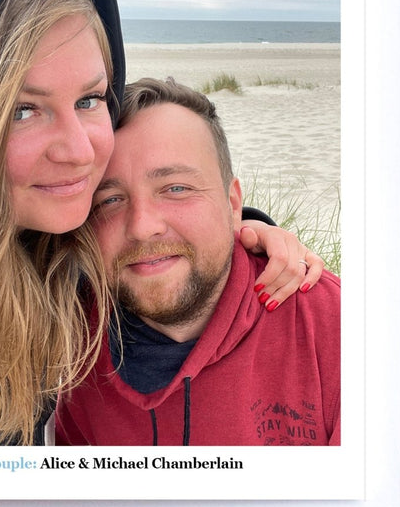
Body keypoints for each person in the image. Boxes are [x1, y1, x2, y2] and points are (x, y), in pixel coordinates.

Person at [0, 0, 324, 446]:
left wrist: (239, 229)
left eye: (89, 99)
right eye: (24, 109)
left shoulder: (59, 262)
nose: (80, 152)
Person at [56, 77, 340, 447]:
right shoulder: (68, 342)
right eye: (110, 200)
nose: (142, 226)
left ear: (233, 204)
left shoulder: (335, 329)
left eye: (176, 189)